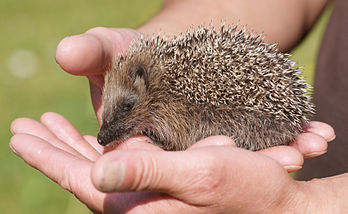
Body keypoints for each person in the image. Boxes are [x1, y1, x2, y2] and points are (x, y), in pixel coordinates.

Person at [9, 0, 347, 213]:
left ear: (147, 84)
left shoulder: (170, 99)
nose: (109, 132)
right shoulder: (161, 80)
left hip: (265, 124)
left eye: (125, 109)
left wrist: (306, 205)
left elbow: (178, 131)